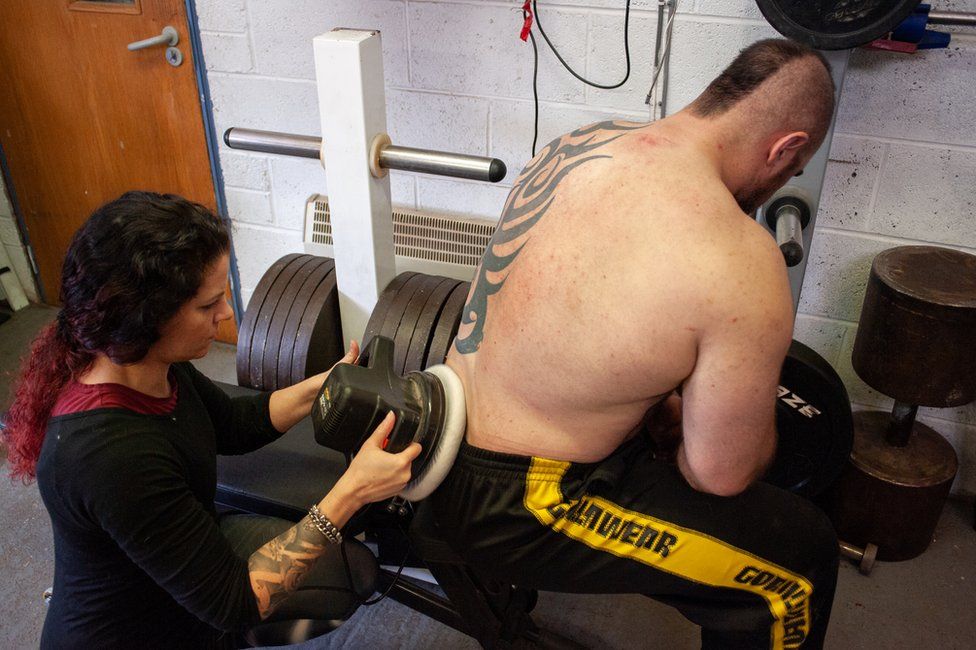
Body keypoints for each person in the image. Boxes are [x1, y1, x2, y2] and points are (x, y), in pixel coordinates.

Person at [430, 39, 839, 649]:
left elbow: (583, 319)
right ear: (787, 149)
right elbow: (719, 476)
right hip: (522, 503)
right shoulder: (741, 256)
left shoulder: (578, 143)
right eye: (791, 172)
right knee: (799, 560)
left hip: (436, 426)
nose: (783, 179)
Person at [2, 191, 421, 649]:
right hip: (136, 633)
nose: (225, 314)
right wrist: (353, 490)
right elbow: (235, 603)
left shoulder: (150, 363)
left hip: (174, 584)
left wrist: (325, 385)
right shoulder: (110, 456)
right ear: (143, 318)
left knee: (353, 569)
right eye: (207, 306)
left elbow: (232, 424)